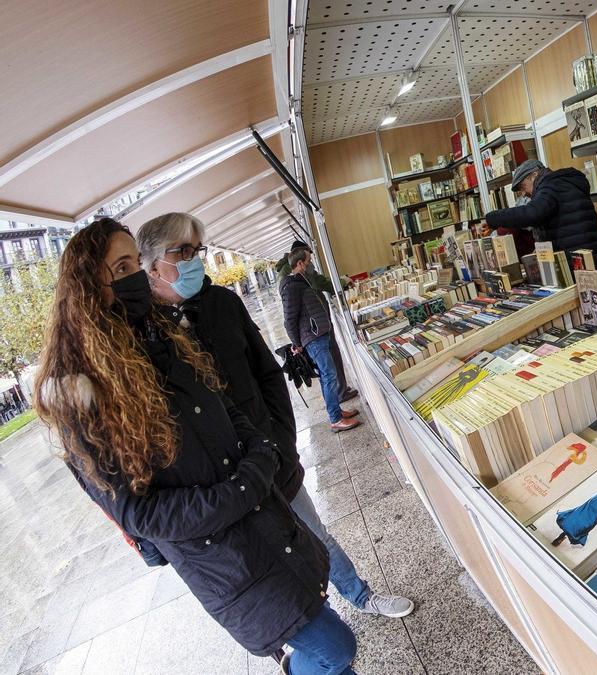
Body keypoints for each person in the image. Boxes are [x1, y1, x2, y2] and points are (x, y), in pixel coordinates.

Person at [34, 218, 353, 674]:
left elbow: (227, 405)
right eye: (121, 266)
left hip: (267, 521)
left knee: (328, 647)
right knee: (335, 645)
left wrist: (265, 450)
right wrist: (243, 488)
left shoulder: (162, 336)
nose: (135, 277)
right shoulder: (79, 394)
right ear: (88, 286)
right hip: (224, 557)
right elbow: (138, 513)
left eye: (134, 264)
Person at [137, 212, 413, 621]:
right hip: (220, 483)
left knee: (313, 531)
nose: (194, 260)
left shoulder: (223, 304)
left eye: (198, 250)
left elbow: (267, 373)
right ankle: (311, 630)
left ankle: (359, 594)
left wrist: (280, 438)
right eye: (183, 251)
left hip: (269, 452)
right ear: (151, 264)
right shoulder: (145, 332)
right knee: (265, 562)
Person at [281, 249, 361, 432]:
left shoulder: (304, 281)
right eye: (309, 261)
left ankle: (337, 412)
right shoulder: (292, 287)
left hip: (319, 334)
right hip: (313, 338)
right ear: (300, 264)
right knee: (329, 376)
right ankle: (335, 419)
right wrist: (297, 343)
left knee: (329, 376)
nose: (311, 264)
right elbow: (289, 319)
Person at [481, 159, 597, 264]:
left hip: (579, 262)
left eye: (523, 187)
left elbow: (532, 213)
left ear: (534, 175)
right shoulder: (563, 183)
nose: (524, 194)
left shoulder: (550, 186)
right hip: (591, 256)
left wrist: (492, 219)